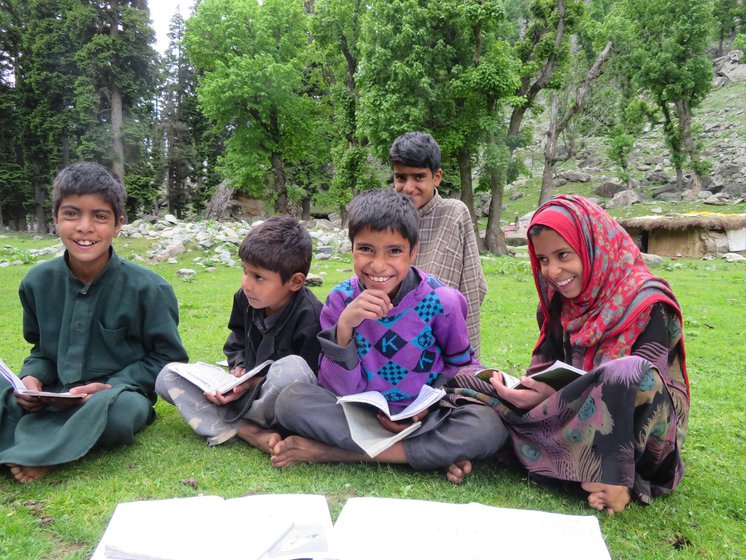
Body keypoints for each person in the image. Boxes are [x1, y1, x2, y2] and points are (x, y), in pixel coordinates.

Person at [451, 195, 689, 513]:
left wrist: (561, 391)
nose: (553, 271)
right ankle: (470, 442)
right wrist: (530, 391)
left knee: (627, 371)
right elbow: (547, 369)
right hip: (573, 412)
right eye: (544, 260)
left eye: (563, 255)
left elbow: (647, 393)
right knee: (465, 376)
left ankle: (618, 480)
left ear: (593, 247)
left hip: (639, 440)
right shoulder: (558, 302)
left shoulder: (648, 302)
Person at [271, 189, 506, 480]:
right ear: (352, 247)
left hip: (425, 419)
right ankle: (428, 454)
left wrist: (424, 409)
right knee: (290, 401)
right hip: (360, 417)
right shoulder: (340, 301)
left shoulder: (442, 301)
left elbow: (459, 368)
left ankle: (335, 452)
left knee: (488, 426)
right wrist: (345, 328)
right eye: (366, 249)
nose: (378, 266)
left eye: (394, 251)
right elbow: (338, 389)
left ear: (413, 251)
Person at [0, 162, 188, 483]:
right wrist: (32, 379)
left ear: (118, 225)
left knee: (122, 414)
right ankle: (45, 438)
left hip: (113, 396)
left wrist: (112, 384)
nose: (84, 227)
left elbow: (167, 361)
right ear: (56, 218)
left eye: (99, 216)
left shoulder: (150, 289)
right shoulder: (37, 282)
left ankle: (47, 456)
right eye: (72, 214)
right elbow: (41, 351)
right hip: (54, 394)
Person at [156, 217, 322, 454]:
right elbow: (237, 340)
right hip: (241, 393)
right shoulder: (245, 299)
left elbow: (310, 380)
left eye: (258, 277)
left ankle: (232, 423)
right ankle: (247, 430)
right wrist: (239, 368)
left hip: (276, 401)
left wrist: (256, 381)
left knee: (293, 369)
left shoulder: (311, 316)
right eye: (245, 271)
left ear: (295, 282)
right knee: (168, 375)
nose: (247, 284)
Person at [389, 132, 487, 356]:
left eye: (418, 177)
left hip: (442, 337)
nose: (408, 187)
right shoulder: (386, 217)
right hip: (391, 340)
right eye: (401, 178)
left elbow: (472, 287)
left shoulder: (454, 213)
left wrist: (466, 354)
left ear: (437, 177)